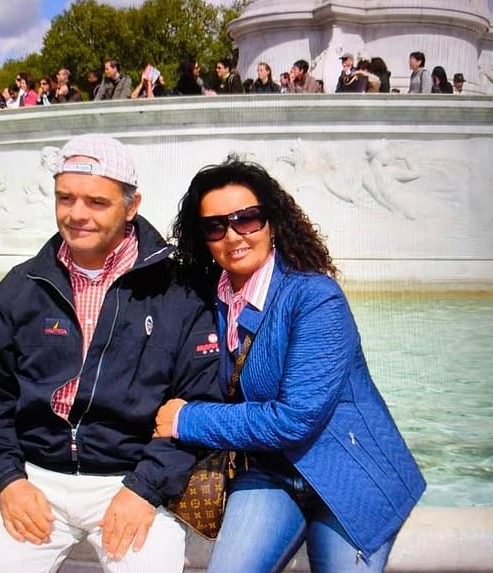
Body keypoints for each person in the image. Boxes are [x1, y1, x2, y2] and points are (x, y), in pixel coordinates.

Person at [0, 134, 221, 573]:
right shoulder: (17, 289)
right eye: (66, 198)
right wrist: (8, 481)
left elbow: (200, 403)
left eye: (96, 202)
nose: (76, 214)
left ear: (131, 205)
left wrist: (145, 487)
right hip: (36, 479)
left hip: (134, 480)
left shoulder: (180, 293)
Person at [154, 159, 426, 573]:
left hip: (347, 476)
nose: (232, 235)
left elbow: (293, 418)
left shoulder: (315, 298)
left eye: (247, 219)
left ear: (272, 222)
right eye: (215, 226)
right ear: (202, 238)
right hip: (268, 472)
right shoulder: (211, 297)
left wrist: (186, 419)